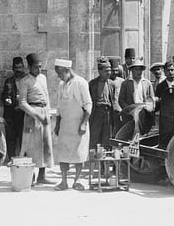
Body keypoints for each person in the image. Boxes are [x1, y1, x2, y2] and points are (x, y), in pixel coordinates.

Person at [53, 59, 92, 191]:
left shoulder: (81, 83)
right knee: (63, 154)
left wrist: (84, 124)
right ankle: (63, 181)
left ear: (66, 70)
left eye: (59, 72)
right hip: (65, 124)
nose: (58, 75)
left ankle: (77, 180)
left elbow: (88, 105)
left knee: (78, 153)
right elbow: (59, 107)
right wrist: (57, 124)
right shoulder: (61, 85)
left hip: (78, 124)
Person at [17, 53, 54, 184]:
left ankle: (42, 176)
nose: (38, 70)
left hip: (44, 113)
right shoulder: (24, 81)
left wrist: (47, 112)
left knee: (45, 145)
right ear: (29, 67)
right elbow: (22, 103)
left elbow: (46, 96)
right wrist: (36, 114)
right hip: (32, 115)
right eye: (35, 67)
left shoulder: (43, 78)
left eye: (40, 67)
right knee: (31, 146)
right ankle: (30, 176)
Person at [118, 59, 155, 136]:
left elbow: (151, 99)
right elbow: (121, 100)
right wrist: (128, 110)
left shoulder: (147, 83)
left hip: (144, 113)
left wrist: (148, 109)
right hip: (130, 113)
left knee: (143, 134)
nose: (139, 72)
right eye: (136, 69)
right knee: (129, 134)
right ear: (131, 70)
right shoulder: (126, 83)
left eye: (140, 70)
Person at [155, 62, 174, 147]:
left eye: (172, 70)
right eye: (168, 70)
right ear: (164, 72)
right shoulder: (160, 87)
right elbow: (157, 104)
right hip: (165, 121)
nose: (170, 72)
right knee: (164, 143)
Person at [1, 56, 26, 159]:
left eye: (20, 67)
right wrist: (6, 100)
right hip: (11, 115)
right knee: (11, 139)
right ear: (13, 68)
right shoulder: (9, 81)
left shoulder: (27, 80)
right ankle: (11, 160)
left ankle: (24, 161)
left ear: (23, 67)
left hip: (24, 114)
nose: (18, 70)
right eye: (16, 67)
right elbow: (3, 95)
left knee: (24, 139)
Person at [88, 57, 115, 151]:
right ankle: (94, 163)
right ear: (99, 71)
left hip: (107, 113)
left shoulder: (112, 84)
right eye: (106, 71)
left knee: (107, 138)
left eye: (110, 70)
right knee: (94, 138)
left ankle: (105, 164)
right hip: (96, 113)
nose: (109, 73)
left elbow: (114, 101)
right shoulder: (92, 84)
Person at [109, 57, 126, 135]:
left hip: (119, 111)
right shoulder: (106, 81)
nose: (115, 72)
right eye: (113, 70)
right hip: (109, 111)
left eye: (116, 70)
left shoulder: (122, 81)